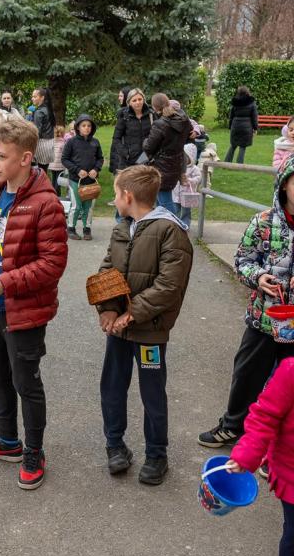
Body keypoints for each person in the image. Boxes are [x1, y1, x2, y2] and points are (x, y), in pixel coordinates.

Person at [0, 120, 68, 489]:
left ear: (25, 158)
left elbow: (52, 264)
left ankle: (34, 450)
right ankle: (8, 440)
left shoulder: (46, 204)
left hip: (24, 311)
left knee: (27, 381)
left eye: (1, 157)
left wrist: (3, 283)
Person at [96, 165, 192, 485]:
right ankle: (115, 446)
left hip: (149, 329)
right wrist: (108, 310)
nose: (114, 199)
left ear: (128, 196)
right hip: (121, 329)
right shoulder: (123, 227)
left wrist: (133, 312)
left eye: (115, 194)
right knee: (112, 386)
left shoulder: (170, 230)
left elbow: (169, 285)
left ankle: (156, 453)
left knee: (152, 392)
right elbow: (108, 270)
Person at [198, 155, 294, 448]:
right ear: (284, 184)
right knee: (246, 373)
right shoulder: (264, 221)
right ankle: (233, 425)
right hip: (264, 318)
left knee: (288, 386)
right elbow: (243, 259)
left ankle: (282, 446)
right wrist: (259, 277)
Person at [226, 357, 294, 556]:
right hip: (292, 471)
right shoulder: (290, 371)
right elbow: (264, 417)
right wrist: (246, 455)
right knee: (293, 534)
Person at [142, 93, 192, 213]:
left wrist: (144, 141)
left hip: (161, 166)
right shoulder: (184, 119)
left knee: (165, 201)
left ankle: (176, 227)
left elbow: (149, 147)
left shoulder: (160, 124)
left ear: (154, 107)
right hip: (176, 162)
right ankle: (164, 228)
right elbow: (190, 134)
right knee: (161, 200)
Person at [62, 114, 103, 240]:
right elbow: (65, 159)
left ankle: (87, 229)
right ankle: (71, 228)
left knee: (88, 206)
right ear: (78, 127)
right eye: (83, 125)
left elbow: (100, 158)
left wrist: (96, 169)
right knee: (76, 205)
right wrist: (77, 170)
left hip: (90, 181)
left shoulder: (95, 142)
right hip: (76, 180)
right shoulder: (71, 142)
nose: (86, 128)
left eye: (89, 126)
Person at [109, 88, 154, 174]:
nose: (138, 102)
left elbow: (156, 136)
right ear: (129, 102)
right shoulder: (124, 116)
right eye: (134, 100)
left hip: (147, 158)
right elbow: (116, 138)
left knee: (145, 185)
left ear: (144, 100)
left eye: (140, 99)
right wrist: (126, 153)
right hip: (128, 161)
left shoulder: (151, 115)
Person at [171, 144, 201, 230]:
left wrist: (190, 180)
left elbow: (198, 178)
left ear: (191, 157)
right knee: (176, 210)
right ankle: (176, 224)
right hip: (176, 193)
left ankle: (185, 225)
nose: (183, 159)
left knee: (186, 211)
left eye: (186, 157)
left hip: (187, 194)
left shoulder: (194, 168)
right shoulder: (177, 166)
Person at [226, 85, 259, 164]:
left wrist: (230, 126)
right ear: (247, 92)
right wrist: (255, 128)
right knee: (242, 147)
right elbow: (254, 116)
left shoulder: (235, 102)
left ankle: (226, 162)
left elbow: (231, 116)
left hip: (235, 125)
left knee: (233, 145)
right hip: (246, 127)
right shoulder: (252, 102)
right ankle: (239, 165)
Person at [31, 88, 56, 171]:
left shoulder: (39, 112)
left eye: (35, 96)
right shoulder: (49, 109)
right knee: (44, 171)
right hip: (50, 143)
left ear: (42, 97)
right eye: (32, 96)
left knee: (39, 172)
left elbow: (37, 131)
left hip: (41, 144)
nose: (32, 98)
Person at [48, 125, 66, 195]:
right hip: (60, 165)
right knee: (58, 181)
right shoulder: (63, 143)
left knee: (53, 179)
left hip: (52, 164)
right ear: (63, 133)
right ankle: (56, 194)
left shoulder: (52, 142)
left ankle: (55, 194)